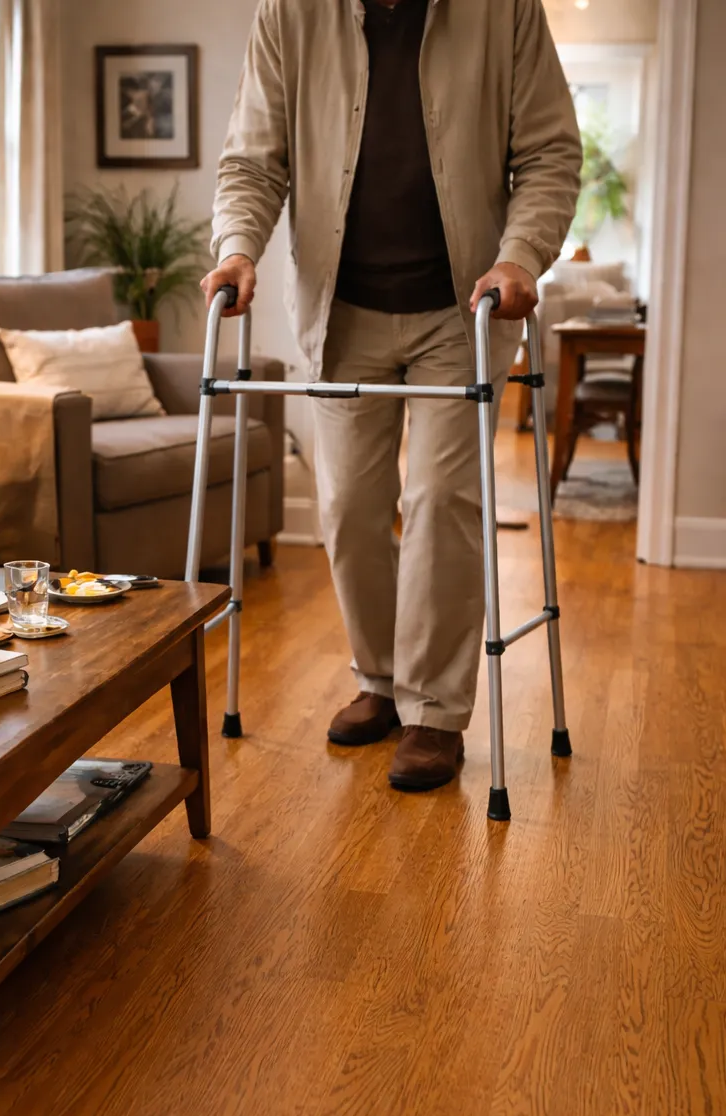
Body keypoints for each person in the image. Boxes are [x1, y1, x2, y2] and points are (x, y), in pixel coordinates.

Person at [202, 0, 581, 791]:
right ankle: (380, 681)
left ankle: (435, 713)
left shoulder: (502, 10)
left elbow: (547, 152)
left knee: (443, 497)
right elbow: (253, 160)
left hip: (461, 303)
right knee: (346, 508)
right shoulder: (290, 13)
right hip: (342, 307)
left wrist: (520, 258)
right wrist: (238, 247)